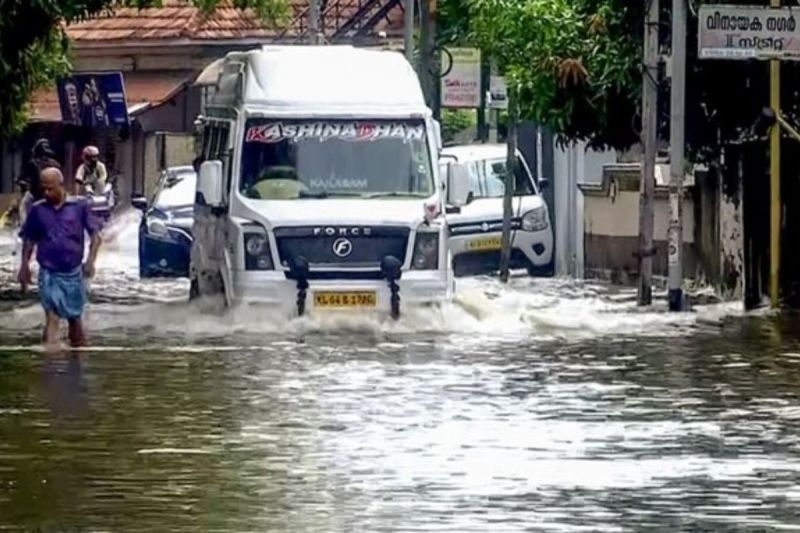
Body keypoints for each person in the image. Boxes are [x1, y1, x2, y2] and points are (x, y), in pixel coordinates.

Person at [17, 167, 102, 348]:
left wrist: (90, 261)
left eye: (51, 188)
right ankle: (51, 363)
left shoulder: (79, 207)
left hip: (72, 272)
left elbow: (96, 236)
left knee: (74, 319)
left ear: (61, 185)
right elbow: (29, 240)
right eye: (44, 189)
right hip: (48, 272)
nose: (47, 193)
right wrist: (24, 266)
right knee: (52, 315)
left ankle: (77, 362)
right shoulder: (38, 210)